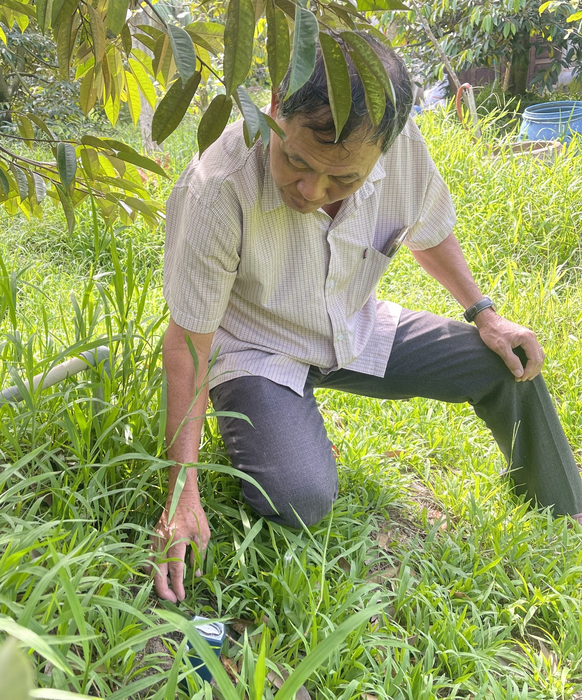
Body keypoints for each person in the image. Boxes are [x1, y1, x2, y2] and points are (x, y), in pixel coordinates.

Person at [151, 32, 582, 603]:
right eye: (296, 162)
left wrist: (484, 314)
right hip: (257, 348)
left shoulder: (401, 149)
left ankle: (564, 509)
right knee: (302, 498)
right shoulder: (216, 185)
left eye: (343, 179)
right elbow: (187, 343)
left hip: (354, 326)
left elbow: (428, 227)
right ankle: (272, 419)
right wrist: (183, 486)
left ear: (385, 145)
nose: (312, 190)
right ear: (276, 107)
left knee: (508, 362)